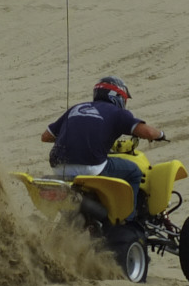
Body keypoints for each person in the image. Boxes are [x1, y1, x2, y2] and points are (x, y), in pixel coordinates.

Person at [41, 75, 167, 209]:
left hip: (59, 168)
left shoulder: (76, 108)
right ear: (117, 96)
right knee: (134, 172)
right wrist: (161, 135)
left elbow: (46, 136)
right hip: (90, 167)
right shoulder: (117, 113)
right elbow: (148, 133)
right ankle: (127, 219)